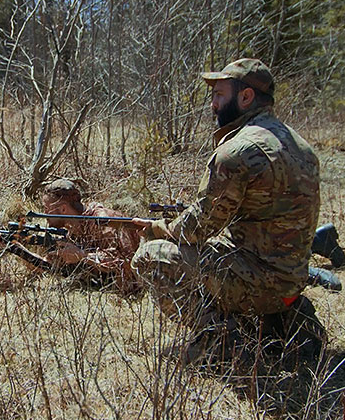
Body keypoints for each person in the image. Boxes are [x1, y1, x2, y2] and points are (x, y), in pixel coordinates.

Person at [131, 58, 324, 362]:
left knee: (151, 257)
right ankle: (281, 320)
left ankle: (218, 340)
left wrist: (161, 229)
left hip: (261, 284)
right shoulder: (300, 144)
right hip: (292, 280)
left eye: (219, 95)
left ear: (245, 97)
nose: (213, 104)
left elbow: (197, 229)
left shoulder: (237, 151)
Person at [0, 179, 143, 295]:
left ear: (63, 209)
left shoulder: (104, 221)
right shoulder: (71, 230)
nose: (45, 215)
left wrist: (82, 256)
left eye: (46, 209)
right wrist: (15, 248)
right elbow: (49, 267)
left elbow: (128, 265)